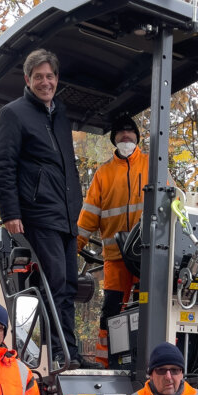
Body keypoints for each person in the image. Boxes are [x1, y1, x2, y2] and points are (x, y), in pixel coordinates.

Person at [0, 48, 85, 367]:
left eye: (50, 76)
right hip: (38, 213)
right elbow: (3, 167)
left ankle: (71, 351)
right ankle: (58, 354)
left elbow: (68, 167)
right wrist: (11, 213)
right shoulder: (13, 114)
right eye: (39, 77)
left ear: (56, 79)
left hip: (67, 217)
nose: (45, 82)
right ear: (28, 79)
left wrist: (78, 208)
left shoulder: (61, 116)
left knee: (70, 285)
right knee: (54, 282)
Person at [77, 114, 147, 366]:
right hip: (116, 259)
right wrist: (73, 247)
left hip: (146, 257)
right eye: (121, 133)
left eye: (130, 132)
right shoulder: (103, 174)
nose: (126, 136)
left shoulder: (153, 166)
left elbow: (171, 203)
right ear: (114, 139)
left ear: (137, 137)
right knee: (111, 311)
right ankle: (105, 363)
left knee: (144, 309)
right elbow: (88, 217)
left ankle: (143, 360)